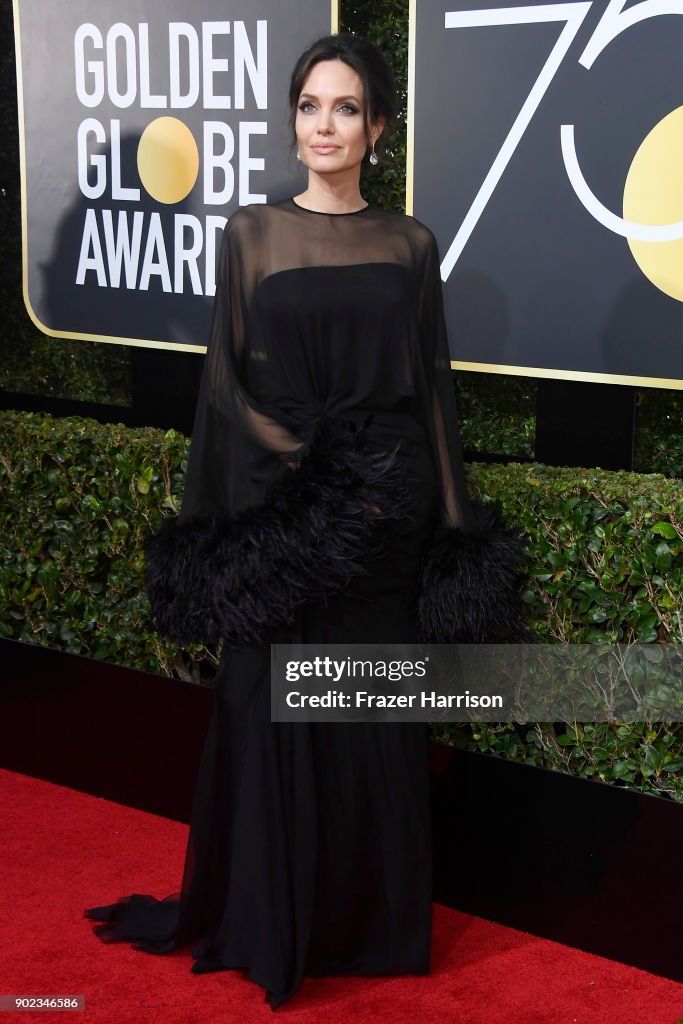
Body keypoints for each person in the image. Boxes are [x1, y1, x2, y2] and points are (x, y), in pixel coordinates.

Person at [84, 33, 527, 1010]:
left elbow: (431, 395)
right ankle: (273, 916)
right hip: (287, 522)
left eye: (344, 108)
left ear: (376, 127)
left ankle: (367, 927)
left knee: (366, 721)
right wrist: (304, 468)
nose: (323, 126)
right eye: (309, 106)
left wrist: (448, 528)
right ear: (293, 119)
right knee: (271, 709)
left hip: (385, 518)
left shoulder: (409, 244)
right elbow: (226, 385)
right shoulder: (252, 234)